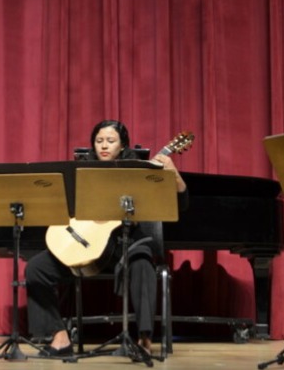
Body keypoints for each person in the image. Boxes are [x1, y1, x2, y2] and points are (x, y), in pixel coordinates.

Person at [24, 119, 188, 357]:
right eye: (99, 141)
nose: (104, 145)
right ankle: (59, 338)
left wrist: (175, 176)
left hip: (127, 245)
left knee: (144, 265)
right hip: (86, 245)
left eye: (110, 141)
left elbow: (181, 205)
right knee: (36, 268)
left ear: (122, 146)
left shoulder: (140, 170)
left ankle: (144, 339)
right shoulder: (81, 170)